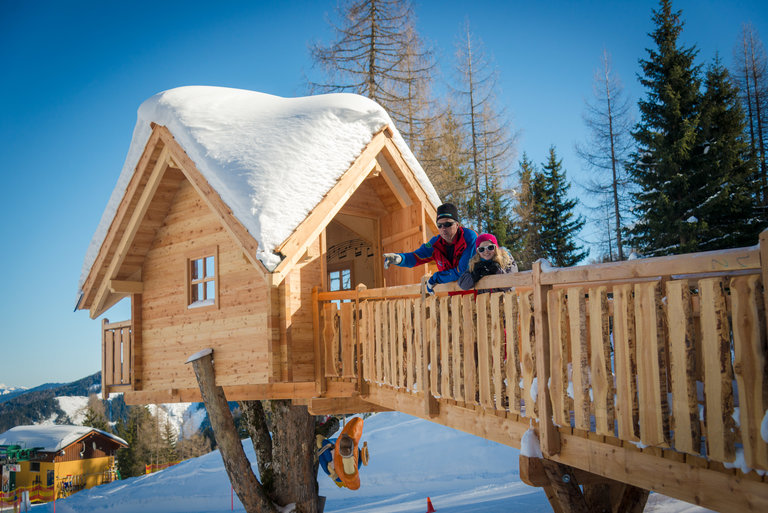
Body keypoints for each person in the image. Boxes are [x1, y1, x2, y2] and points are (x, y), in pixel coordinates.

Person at [383, 203, 477, 294]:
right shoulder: (435, 244)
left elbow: (462, 271)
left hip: (476, 293)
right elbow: (416, 257)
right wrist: (400, 259)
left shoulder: (469, 238)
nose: (443, 229)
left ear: (457, 224)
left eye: (448, 224)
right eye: (439, 225)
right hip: (454, 295)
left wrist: (436, 278)